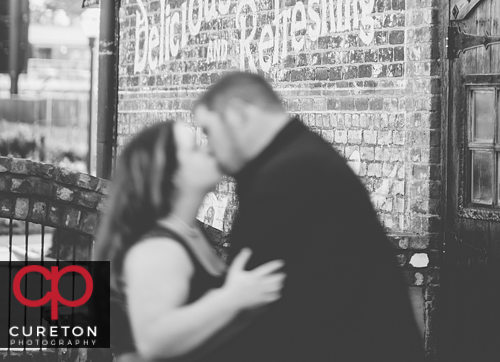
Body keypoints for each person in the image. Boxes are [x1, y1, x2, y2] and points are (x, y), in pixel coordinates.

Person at [193, 71, 426, 362]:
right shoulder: (304, 158)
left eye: (207, 131)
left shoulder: (284, 180)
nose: (209, 148)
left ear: (238, 114)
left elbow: (256, 325)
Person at [94, 119, 285, 361]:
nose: (208, 149)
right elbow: (154, 341)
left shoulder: (191, 233)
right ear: (172, 175)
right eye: (195, 148)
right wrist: (232, 297)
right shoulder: (158, 250)